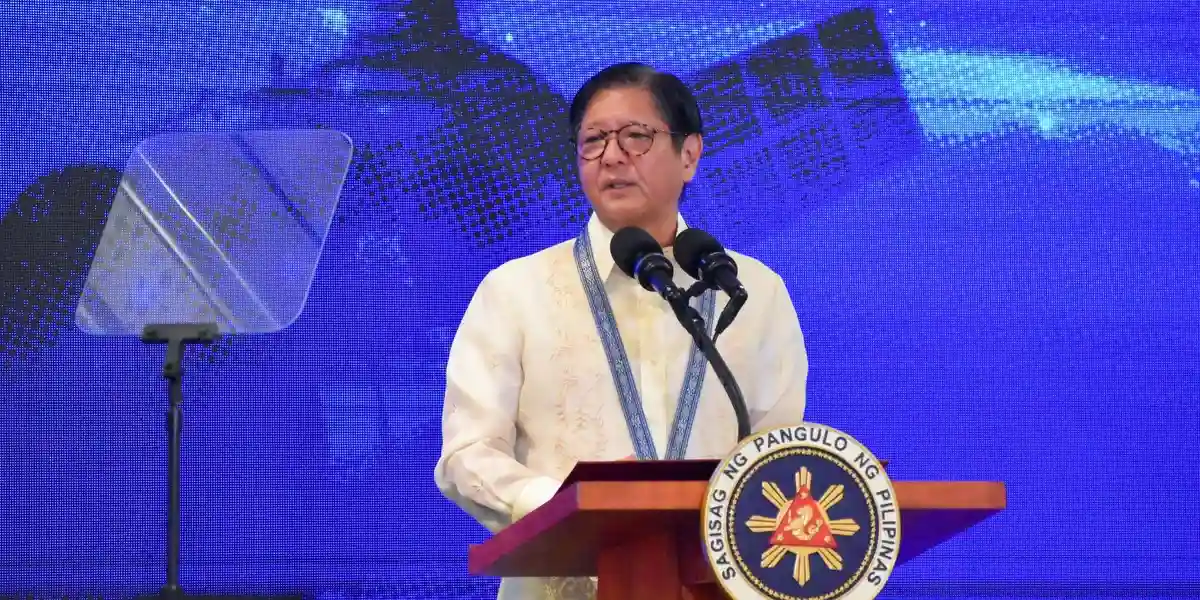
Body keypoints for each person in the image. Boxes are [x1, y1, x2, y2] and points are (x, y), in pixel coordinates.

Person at [433, 62, 809, 600]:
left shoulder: (752, 292)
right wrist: (568, 506)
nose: (611, 156)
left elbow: (778, 455)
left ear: (689, 154)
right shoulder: (515, 290)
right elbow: (466, 455)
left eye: (636, 136)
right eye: (593, 140)